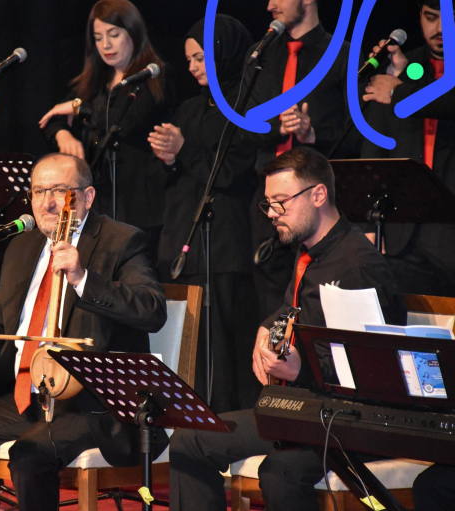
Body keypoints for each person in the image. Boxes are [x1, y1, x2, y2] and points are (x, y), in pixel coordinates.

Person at [0, 152, 168, 511]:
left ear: (88, 196)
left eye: (60, 191)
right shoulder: (22, 245)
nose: (47, 202)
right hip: (26, 394)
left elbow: (152, 310)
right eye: (38, 191)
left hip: (91, 405)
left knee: (30, 454)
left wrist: (83, 279)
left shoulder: (121, 240)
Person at [168, 147, 406, 511]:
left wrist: (301, 369)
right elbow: (290, 306)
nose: (272, 213)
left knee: (280, 472)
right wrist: (266, 328)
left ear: (318, 195)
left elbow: (370, 373)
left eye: (281, 202)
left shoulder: (356, 267)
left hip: (349, 422)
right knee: (190, 439)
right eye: (268, 204)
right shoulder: (311, 249)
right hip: (306, 410)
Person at [147, 15, 259, 412]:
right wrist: (167, 157)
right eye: (190, 60)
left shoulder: (247, 106)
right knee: (186, 343)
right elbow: (172, 178)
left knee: (223, 348)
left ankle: (225, 424)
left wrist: (183, 151)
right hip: (183, 240)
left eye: (201, 58)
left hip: (225, 245)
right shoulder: (189, 108)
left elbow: (229, 172)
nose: (193, 67)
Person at [243, 0, 356, 325]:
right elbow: (240, 127)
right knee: (269, 293)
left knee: (319, 292)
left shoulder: (343, 54)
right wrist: (278, 128)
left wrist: (312, 135)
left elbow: (358, 132)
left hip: (317, 197)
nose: (269, 5)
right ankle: (272, 355)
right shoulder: (261, 55)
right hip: (268, 198)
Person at [38, 0, 175, 247]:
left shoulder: (154, 77)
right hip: (99, 201)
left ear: (133, 33)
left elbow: (126, 121)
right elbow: (52, 117)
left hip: (141, 205)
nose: (106, 45)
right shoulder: (95, 82)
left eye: (114, 35)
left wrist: (79, 109)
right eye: (98, 38)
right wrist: (63, 136)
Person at [361, 0, 455, 297]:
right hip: (404, 231)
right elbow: (374, 147)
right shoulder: (406, 68)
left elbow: (446, 100)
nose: (440, 28)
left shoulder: (399, 85)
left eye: (449, 18)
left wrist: (397, 91)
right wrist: (370, 224)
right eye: (431, 17)